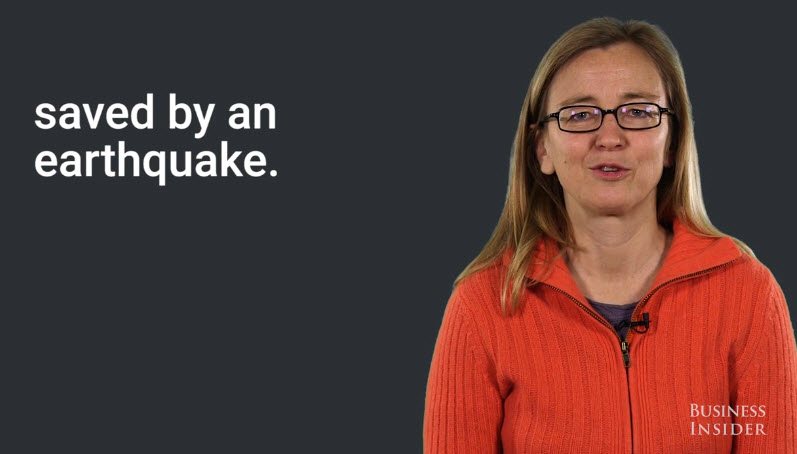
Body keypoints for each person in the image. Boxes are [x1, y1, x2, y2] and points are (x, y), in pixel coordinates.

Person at [423, 17, 797, 453]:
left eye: (637, 112)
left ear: (672, 141)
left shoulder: (749, 296)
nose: (609, 137)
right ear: (542, 148)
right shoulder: (482, 305)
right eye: (580, 115)